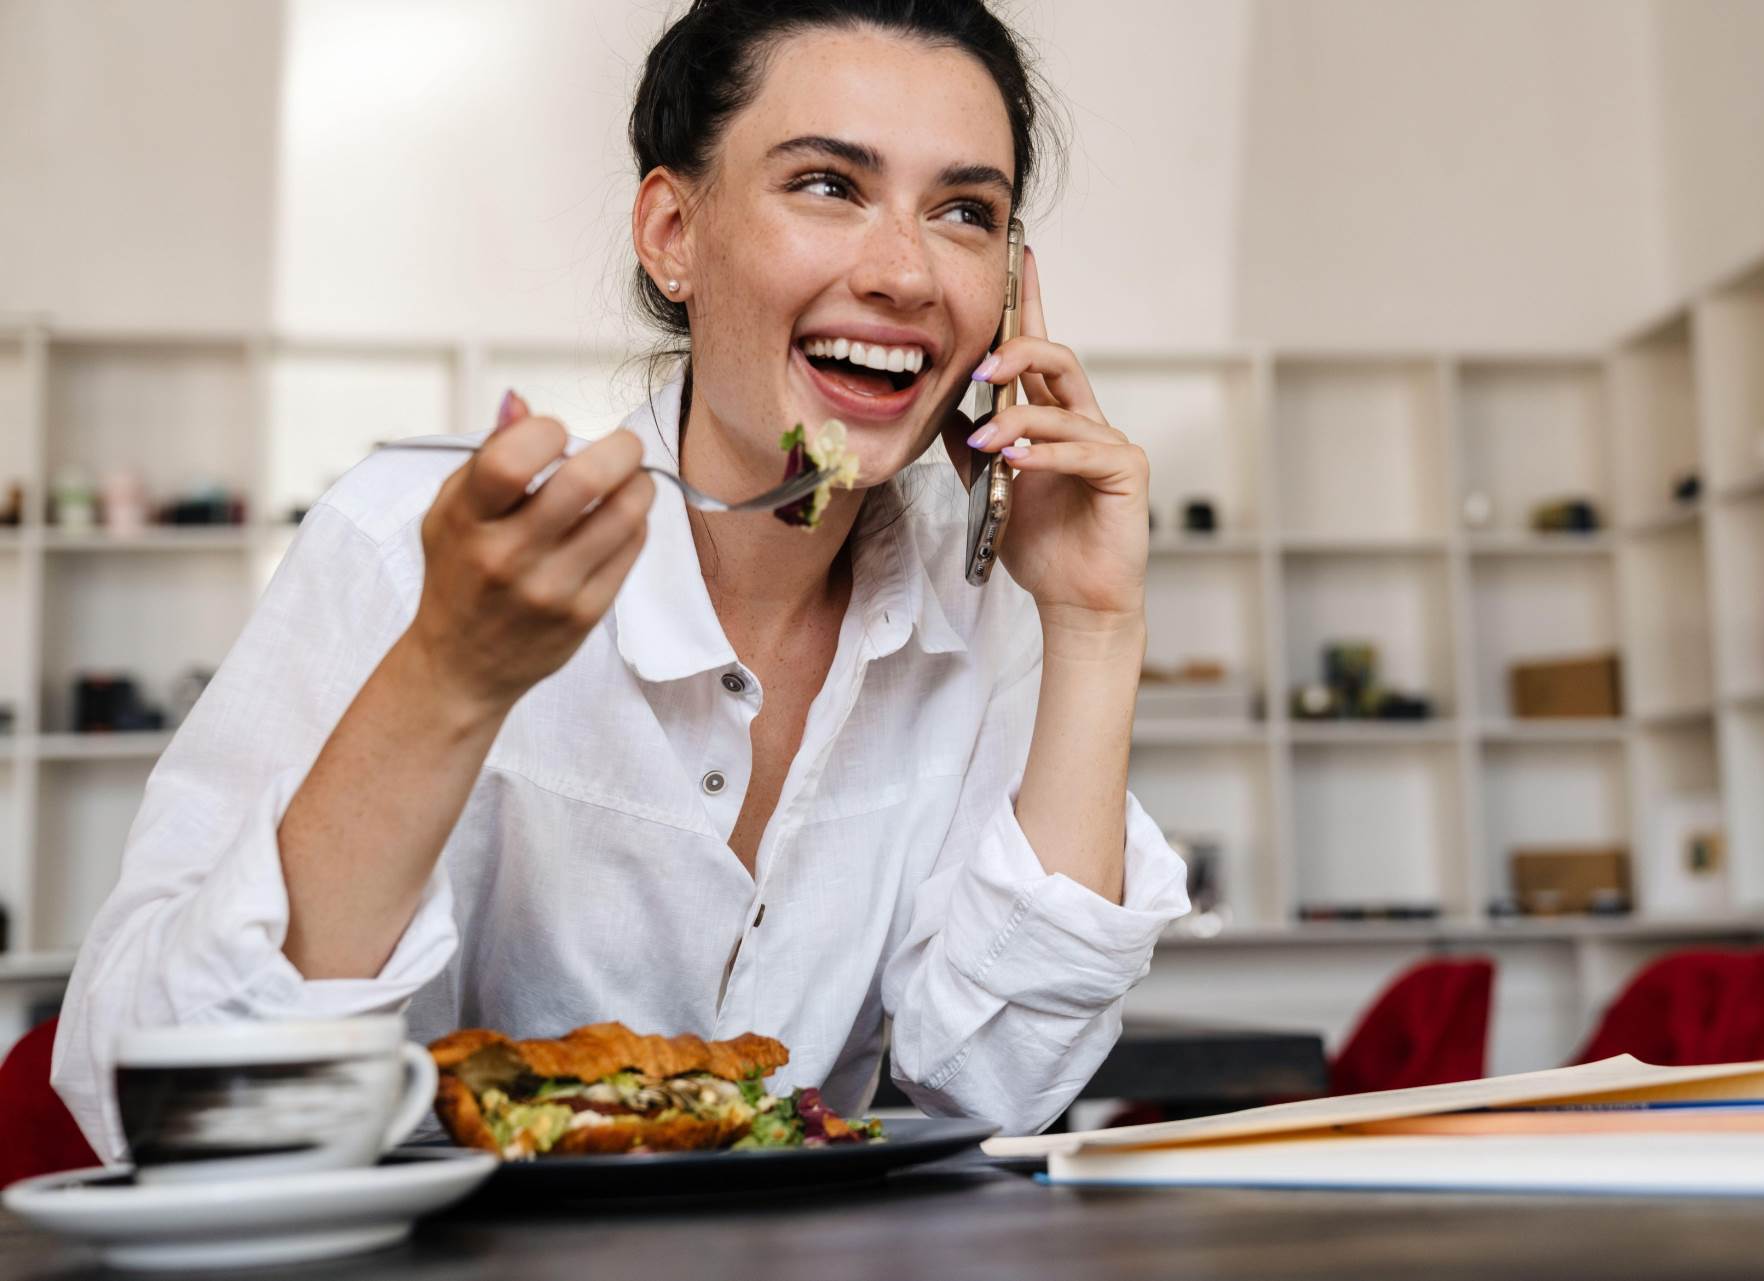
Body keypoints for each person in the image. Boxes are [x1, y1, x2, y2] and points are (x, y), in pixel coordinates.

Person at [53, 0, 1188, 1156]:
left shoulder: (983, 599)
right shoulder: (413, 542)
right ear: (672, 232)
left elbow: (994, 1087)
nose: (905, 273)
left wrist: (1096, 625)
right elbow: (156, 1096)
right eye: (827, 185)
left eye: (963, 212)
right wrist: (448, 678)